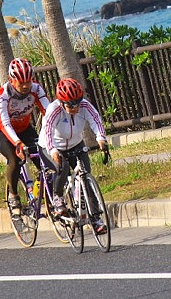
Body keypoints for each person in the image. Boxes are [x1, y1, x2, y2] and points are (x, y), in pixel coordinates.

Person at [38, 78, 110, 234]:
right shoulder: (53, 110)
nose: (75, 108)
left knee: (85, 175)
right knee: (62, 168)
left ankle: (96, 218)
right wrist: (53, 150)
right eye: (71, 105)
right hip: (51, 146)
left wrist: (101, 138)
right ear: (62, 102)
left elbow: (96, 120)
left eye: (77, 102)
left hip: (75, 144)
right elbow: (48, 130)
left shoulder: (84, 105)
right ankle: (58, 199)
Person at [0, 58, 50, 216]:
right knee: (15, 160)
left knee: (45, 160)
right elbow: (4, 122)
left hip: (24, 128)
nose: (25, 86)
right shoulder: (3, 95)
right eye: (21, 82)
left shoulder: (36, 89)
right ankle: (14, 195)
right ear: (11, 80)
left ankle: (47, 195)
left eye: (28, 82)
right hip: (2, 130)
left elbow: (48, 112)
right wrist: (17, 143)